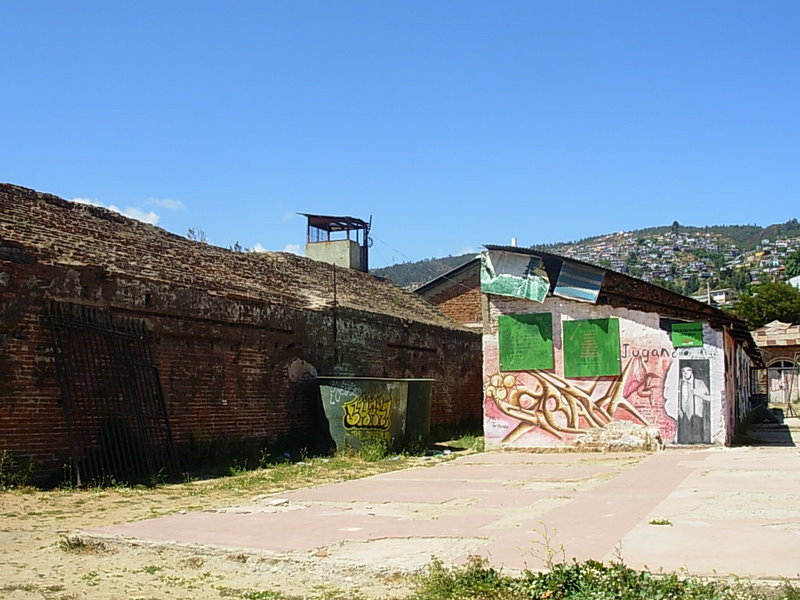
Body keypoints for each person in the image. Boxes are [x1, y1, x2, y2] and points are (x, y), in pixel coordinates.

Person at [678, 365, 711, 443]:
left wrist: (698, 393)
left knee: (697, 436)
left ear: (692, 372)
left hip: (697, 414)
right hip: (682, 414)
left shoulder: (699, 383)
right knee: (684, 435)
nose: (685, 373)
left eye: (688, 370)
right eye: (683, 371)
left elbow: (709, 398)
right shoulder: (679, 383)